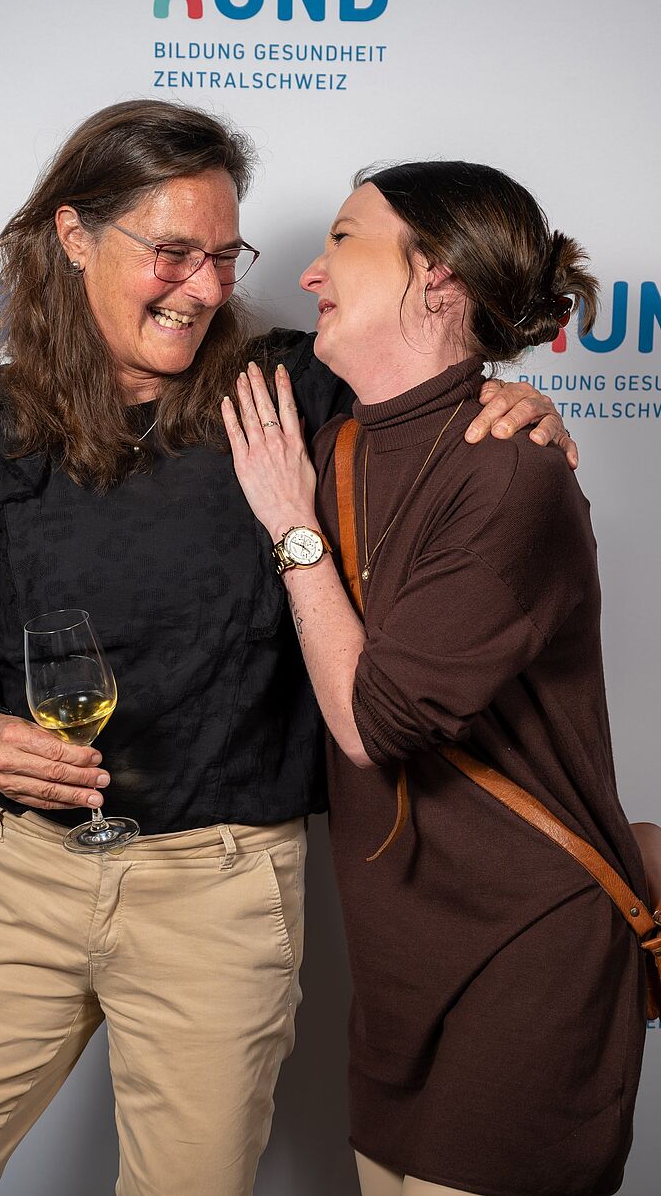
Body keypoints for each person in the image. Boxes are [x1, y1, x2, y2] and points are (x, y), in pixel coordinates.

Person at [0, 102, 573, 1196]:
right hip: (19, 876)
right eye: (171, 253)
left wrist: (511, 402)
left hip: (221, 889)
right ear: (74, 235)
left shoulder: (290, 385)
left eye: (224, 257)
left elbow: (427, 393)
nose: (201, 288)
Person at [222, 161, 646, 1196]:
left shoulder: (507, 466)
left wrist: (290, 527)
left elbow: (374, 725)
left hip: (526, 959)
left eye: (343, 239)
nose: (309, 273)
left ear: (439, 274)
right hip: (401, 964)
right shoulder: (334, 440)